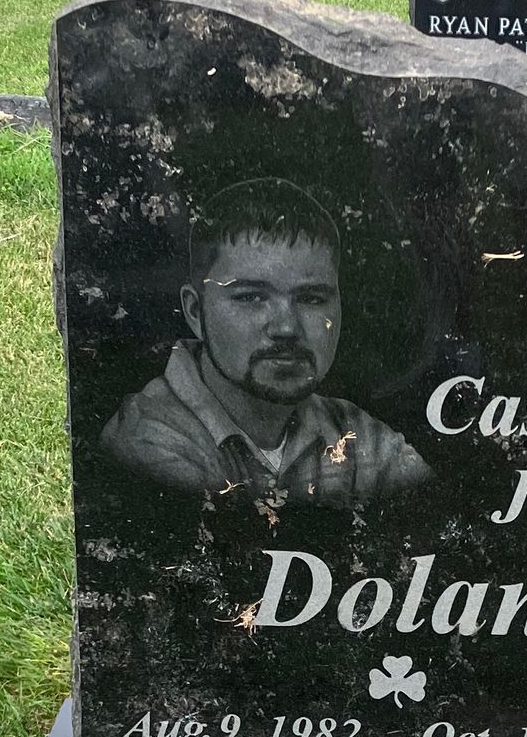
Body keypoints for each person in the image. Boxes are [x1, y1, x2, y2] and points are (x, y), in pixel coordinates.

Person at [99, 179, 431, 508]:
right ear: (196, 311)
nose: (286, 327)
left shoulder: (360, 436)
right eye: (252, 297)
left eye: (312, 299)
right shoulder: (150, 439)